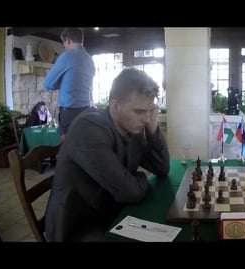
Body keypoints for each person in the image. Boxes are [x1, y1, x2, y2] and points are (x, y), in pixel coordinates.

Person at [44, 68, 170, 241]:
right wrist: (140, 177)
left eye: (150, 111)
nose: (147, 118)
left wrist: (153, 129)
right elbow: (130, 193)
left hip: (112, 211)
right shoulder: (88, 128)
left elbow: (162, 169)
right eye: (140, 112)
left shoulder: (133, 126)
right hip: (80, 226)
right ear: (115, 106)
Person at [43, 27, 95, 136]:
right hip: (86, 109)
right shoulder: (89, 59)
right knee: (82, 145)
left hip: (70, 113)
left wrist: (60, 83)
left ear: (68, 40)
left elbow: (47, 83)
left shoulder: (67, 56)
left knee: (68, 148)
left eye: (64, 43)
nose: (65, 46)